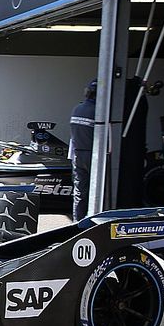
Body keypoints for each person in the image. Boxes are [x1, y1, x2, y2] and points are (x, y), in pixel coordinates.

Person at [70, 79, 97, 220]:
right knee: (96, 192)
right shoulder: (98, 113)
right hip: (93, 156)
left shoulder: (77, 109)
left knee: (80, 192)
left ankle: (77, 222)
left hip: (77, 155)